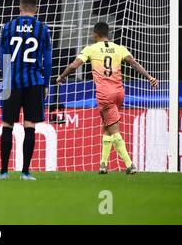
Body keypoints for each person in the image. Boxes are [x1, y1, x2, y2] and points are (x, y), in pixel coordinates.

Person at [56, 22, 158, 174]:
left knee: (114, 130)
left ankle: (130, 165)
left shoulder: (91, 49)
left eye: (92, 34)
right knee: (107, 127)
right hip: (119, 92)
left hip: (105, 94)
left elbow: (74, 65)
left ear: (95, 34)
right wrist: (149, 76)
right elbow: (134, 63)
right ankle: (103, 164)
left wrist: (62, 76)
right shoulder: (119, 48)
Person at [0, 0, 52, 181]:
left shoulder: (8, 27)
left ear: (20, 7)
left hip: (11, 81)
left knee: (7, 125)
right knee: (30, 126)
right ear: (35, 9)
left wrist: (6, 79)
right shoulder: (43, 29)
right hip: (35, 81)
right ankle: (25, 172)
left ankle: (3, 172)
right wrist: (46, 83)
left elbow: (3, 57)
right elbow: (48, 60)